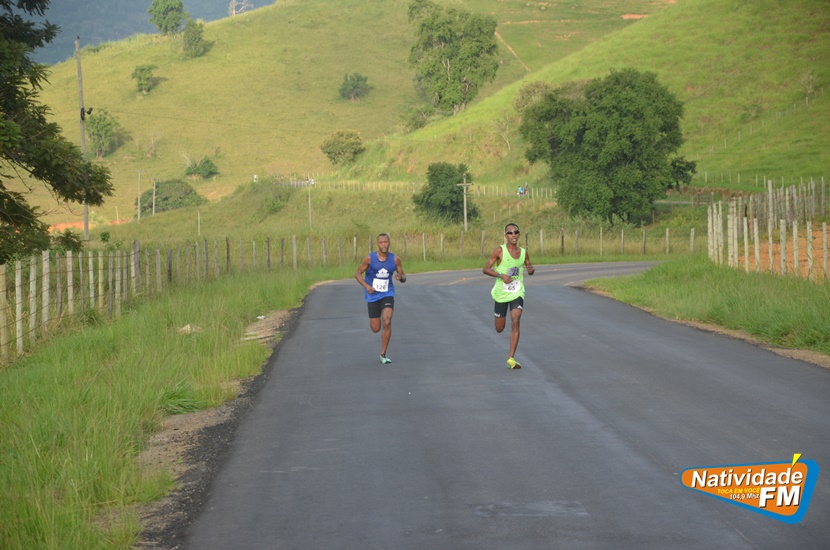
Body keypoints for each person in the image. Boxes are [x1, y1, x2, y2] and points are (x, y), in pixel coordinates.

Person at [483, 223, 535, 369]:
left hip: (517, 291)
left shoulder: (523, 252)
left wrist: (530, 270)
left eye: (516, 232)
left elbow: (529, 266)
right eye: (510, 233)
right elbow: (485, 269)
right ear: (505, 235)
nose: (513, 235)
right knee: (499, 328)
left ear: (519, 234)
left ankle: (511, 358)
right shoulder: (500, 250)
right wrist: (501, 276)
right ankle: (499, 319)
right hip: (501, 293)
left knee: (516, 320)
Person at [355, 233, 406, 364]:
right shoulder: (370, 259)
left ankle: (383, 354)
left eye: (386, 242)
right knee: (375, 328)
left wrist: (400, 277)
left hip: (387, 293)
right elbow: (357, 273)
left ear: (389, 243)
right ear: (377, 244)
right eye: (381, 242)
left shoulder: (395, 260)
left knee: (387, 321)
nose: (384, 244)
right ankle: (375, 321)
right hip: (372, 295)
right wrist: (367, 286)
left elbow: (403, 276)